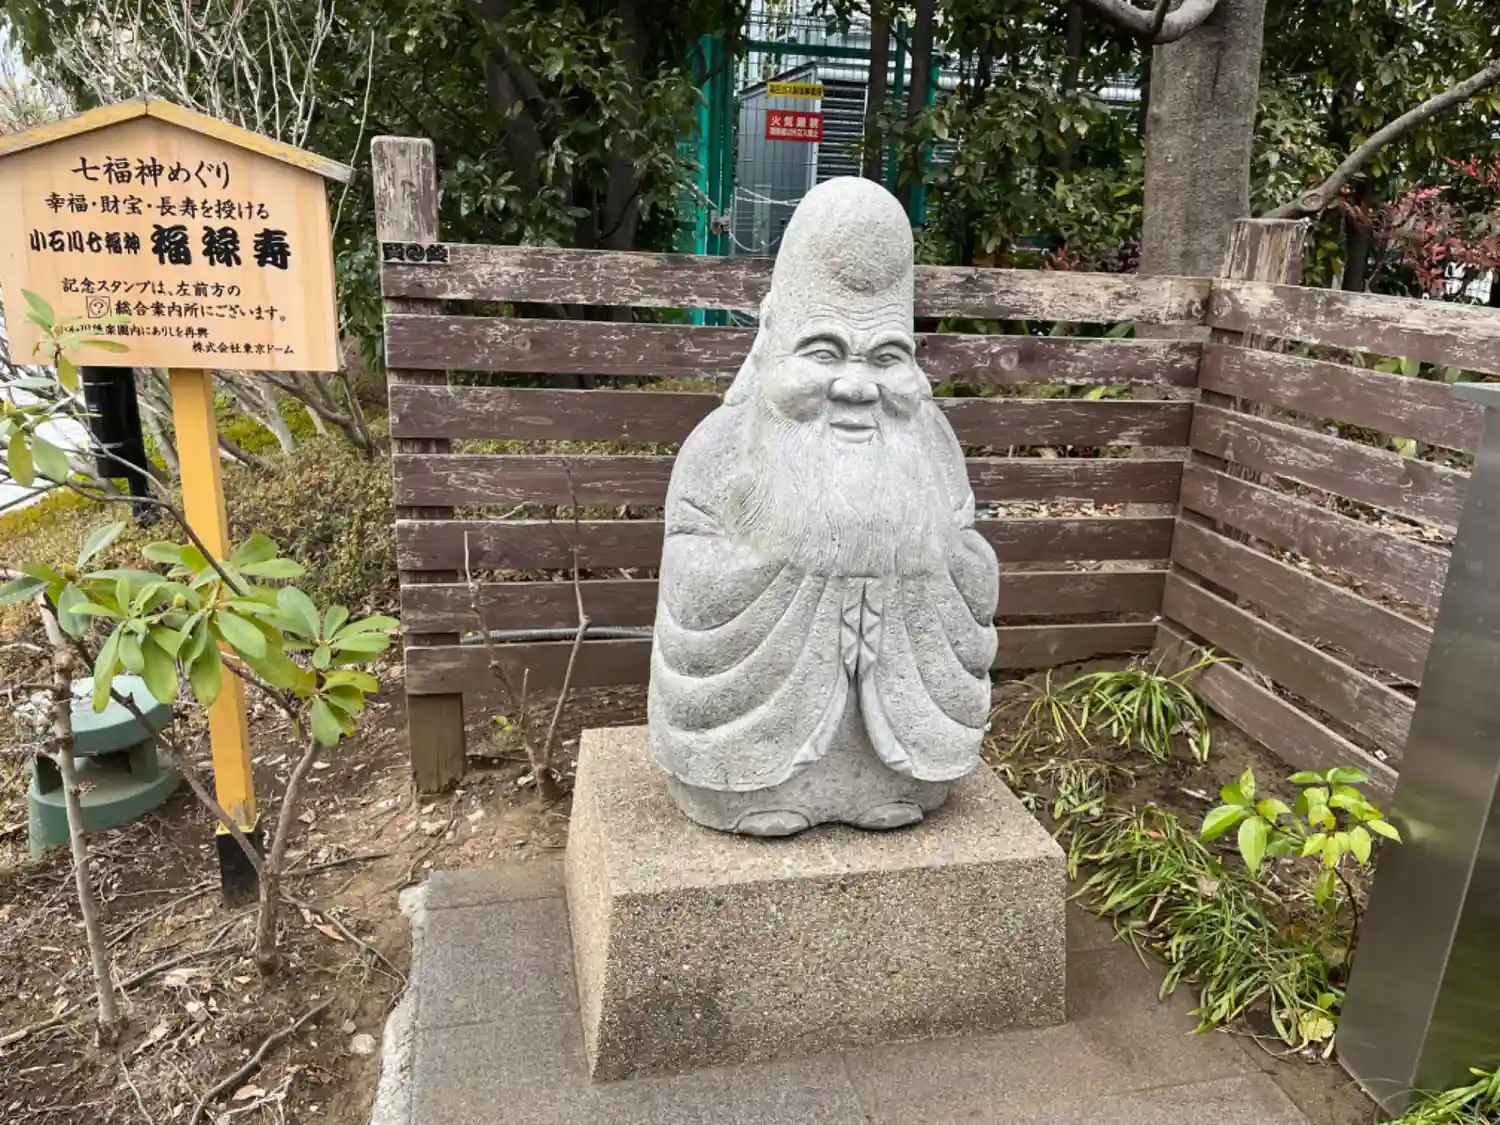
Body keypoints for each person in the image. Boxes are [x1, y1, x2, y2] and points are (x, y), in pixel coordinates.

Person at [647, 177, 1000, 836]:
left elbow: (967, 550)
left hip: (900, 699)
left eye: (886, 357)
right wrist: (782, 562)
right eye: (823, 352)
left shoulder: (931, 444)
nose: (857, 386)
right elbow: (688, 577)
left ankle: (888, 779)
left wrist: (933, 566)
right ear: (771, 338)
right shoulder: (724, 444)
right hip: (754, 711)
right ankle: (749, 788)